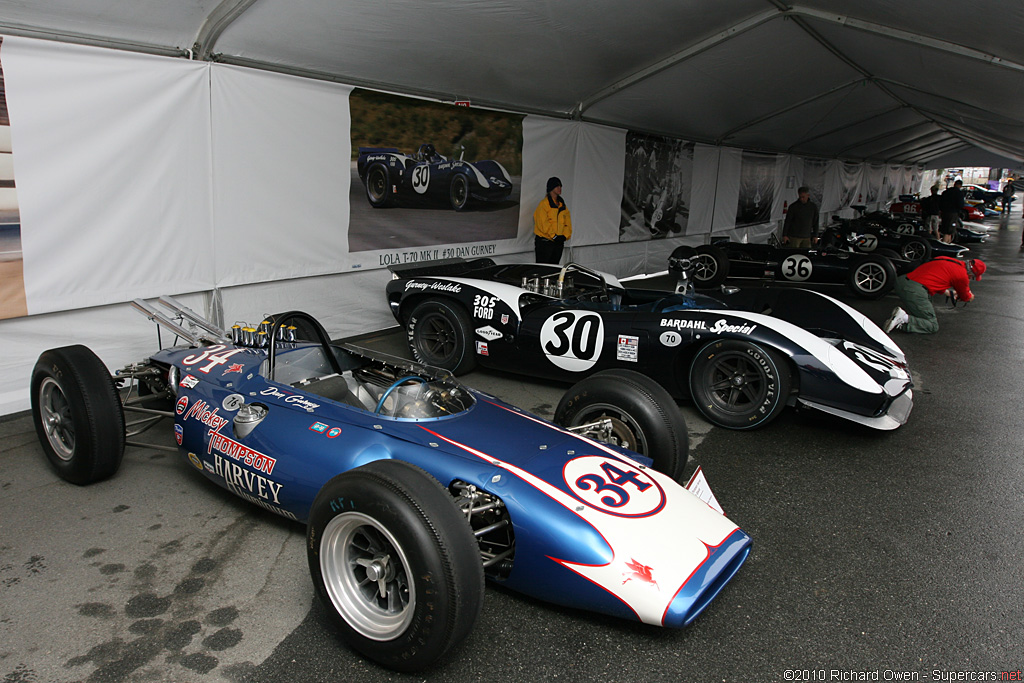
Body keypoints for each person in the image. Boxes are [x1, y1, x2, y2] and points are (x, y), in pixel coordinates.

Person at [884, 256, 985, 334]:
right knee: (932, 326)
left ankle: (901, 319)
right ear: (971, 274)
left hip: (903, 281)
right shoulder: (962, 276)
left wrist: (949, 293)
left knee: (928, 304)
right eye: (972, 277)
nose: (970, 278)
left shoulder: (949, 260)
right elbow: (966, 297)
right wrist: (970, 297)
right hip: (913, 290)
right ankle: (903, 319)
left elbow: (934, 278)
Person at [533, 177, 572, 264]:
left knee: (554, 269)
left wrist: (564, 236)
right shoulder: (544, 204)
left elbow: (567, 223)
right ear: (551, 188)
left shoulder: (563, 205)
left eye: (560, 186)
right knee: (543, 269)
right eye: (557, 186)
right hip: (545, 242)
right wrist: (554, 236)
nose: (560, 189)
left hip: (558, 242)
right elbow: (542, 223)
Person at [938, 179, 965, 244]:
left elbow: (940, 202)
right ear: (960, 185)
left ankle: (947, 244)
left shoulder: (946, 192)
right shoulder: (959, 193)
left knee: (945, 229)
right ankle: (945, 244)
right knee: (949, 231)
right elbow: (961, 205)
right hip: (953, 213)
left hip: (944, 213)